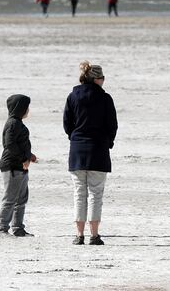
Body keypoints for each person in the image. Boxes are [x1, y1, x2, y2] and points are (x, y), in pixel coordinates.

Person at [63, 61, 118, 246]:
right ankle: (94, 235)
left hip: (77, 149)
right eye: (102, 78)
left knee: (79, 193)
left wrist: (75, 138)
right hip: (99, 149)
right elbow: (112, 125)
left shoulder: (73, 96)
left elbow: (67, 124)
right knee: (96, 193)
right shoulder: (105, 98)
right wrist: (108, 142)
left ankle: (79, 235)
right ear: (96, 79)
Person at [0, 94, 38, 238]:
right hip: (12, 165)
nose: (28, 110)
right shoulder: (13, 123)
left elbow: (20, 143)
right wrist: (23, 158)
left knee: (21, 199)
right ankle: (2, 229)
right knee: (10, 199)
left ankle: (18, 229)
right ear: (19, 108)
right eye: (26, 107)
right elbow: (9, 144)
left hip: (21, 166)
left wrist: (29, 156)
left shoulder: (18, 123)